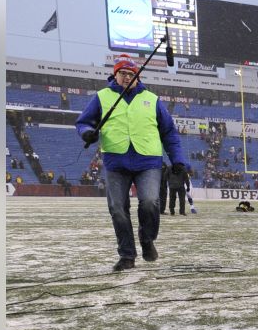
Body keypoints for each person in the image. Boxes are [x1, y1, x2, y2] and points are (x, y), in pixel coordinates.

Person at [76, 56, 187, 271]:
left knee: (149, 202)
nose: (127, 77)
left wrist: (178, 160)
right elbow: (83, 122)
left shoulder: (152, 99)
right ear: (115, 75)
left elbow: (169, 133)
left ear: (138, 76)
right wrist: (87, 133)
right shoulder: (102, 97)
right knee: (117, 208)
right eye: (123, 73)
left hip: (148, 161)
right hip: (116, 161)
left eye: (131, 74)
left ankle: (147, 240)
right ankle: (127, 255)